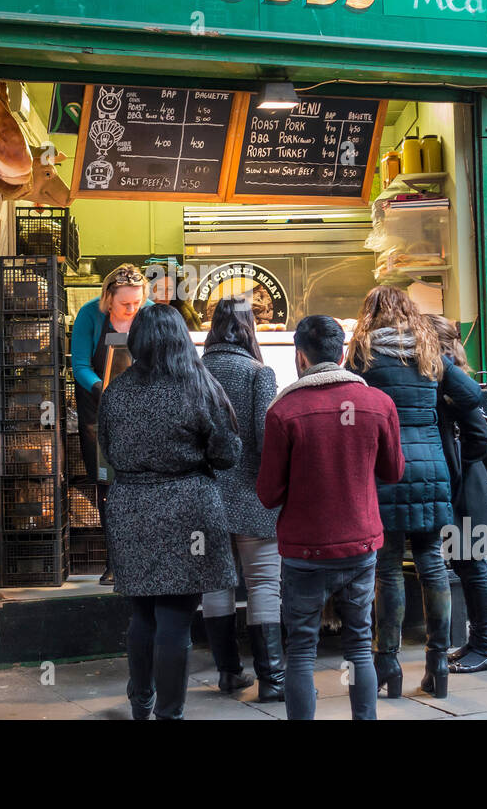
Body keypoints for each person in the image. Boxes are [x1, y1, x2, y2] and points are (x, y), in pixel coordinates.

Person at [256, 315, 404, 720]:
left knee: (301, 648)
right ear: (341, 354)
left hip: (304, 551)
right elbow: (394, 472)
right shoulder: (378, 403)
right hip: (361, 543)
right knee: (359, 643)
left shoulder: (284, 410)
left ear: (299, 356)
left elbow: (268, 494)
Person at [97, 304, 242, 719]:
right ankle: (170, 713)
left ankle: (141, 703)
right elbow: (229, 453)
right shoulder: (200, 387)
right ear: (181, 338)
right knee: (176, 618)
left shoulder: (116, 392)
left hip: (130, 510)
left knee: (142, 613)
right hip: (188, 513)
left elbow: (108, 451)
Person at [345, 287, 460, 700]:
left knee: (387, 566)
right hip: (431, 467)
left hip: (386, 469)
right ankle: (438, 663)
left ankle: (387, 663)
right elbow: (471, 395)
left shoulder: (362, 353)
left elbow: (346, 399)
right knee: (432, 563)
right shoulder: (429, 350)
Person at [200, 296, 283, 701]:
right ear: (250, 328)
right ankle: (272, 680)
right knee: (265, 583)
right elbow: (269, 441)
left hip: (205, 498)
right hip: (253, 494)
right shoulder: (259, 373)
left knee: (215, 585)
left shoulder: (194, 374)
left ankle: (229, 674)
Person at [70, 263, 150, 585]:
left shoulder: (150, 314)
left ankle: (144, 559)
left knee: (145, 483)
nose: (132, 310)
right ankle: (115, 559)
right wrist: (105, 390)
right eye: (125, 304)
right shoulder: (90, 316)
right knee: (108, 485)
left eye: (137, 303)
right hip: (98, 412)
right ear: (108, 298)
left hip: (144, 410)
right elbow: (79, 365)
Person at [428, 315, 487, 674]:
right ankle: (475, 644)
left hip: (467, 488)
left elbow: (479, 439)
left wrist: (457, 469)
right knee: (467, 566)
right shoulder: (447, 376)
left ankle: (485, 647)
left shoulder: (454, 380)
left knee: (474, 567)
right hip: (463, 485)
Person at [146, 256, 204, 331]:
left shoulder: (183, 314)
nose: (165, 294)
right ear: (149, 290)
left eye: (169, 289)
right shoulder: (141, 313)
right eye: (160, 289)